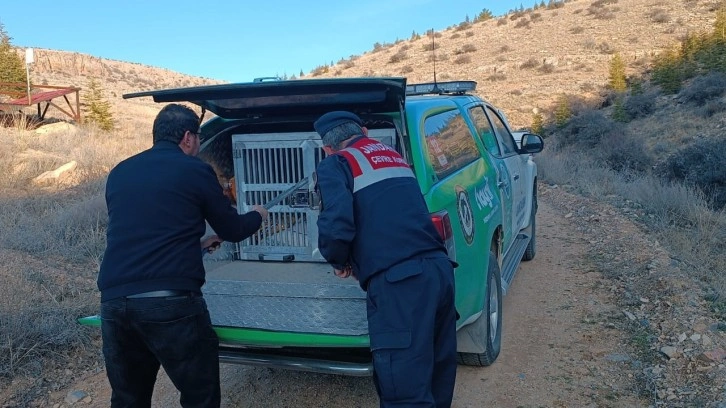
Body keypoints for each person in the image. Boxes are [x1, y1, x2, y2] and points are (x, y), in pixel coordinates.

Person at [97, 103, 268, 408]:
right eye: (199, 139)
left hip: (115, 304)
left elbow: (146, 231)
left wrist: (199, 244)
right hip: (170, 305)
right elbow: (233, 229)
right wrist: (257, 215)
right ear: (188, 138)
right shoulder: (195, 170)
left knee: (127, 399)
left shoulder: (119, 172)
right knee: (199, 396)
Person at [313, 111, 458, 408]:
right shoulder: (393, 157)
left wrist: (339, 261)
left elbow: (337, 224)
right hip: (440, 272)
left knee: (404, 391)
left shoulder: (336, 163)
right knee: (436, 379)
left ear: (327, 148)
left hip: (400, 284)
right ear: (364, 131)